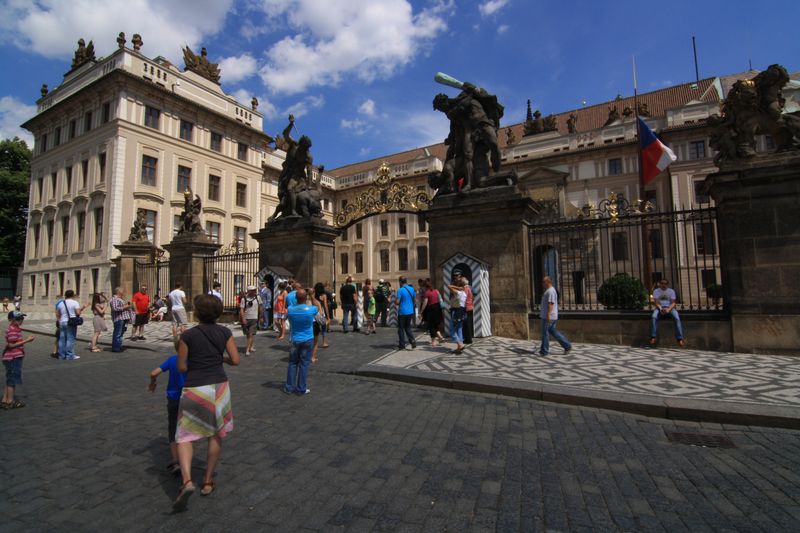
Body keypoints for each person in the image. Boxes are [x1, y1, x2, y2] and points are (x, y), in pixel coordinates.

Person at [173, 294, 240, 511]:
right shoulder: (225, 332)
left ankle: (187, 480)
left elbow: (181, 367)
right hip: (219, 387)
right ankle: (208, 481)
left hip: (196, 386)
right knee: (216, 433)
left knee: (184, 435)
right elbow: (236, 360)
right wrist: (221, 358)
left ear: (198, 313)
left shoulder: (188, 335)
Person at [148, 336, 186, 476]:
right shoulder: (192, 361)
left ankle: (175, 460)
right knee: (186, 428)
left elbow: (153, 373)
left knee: (173, 428)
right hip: (188, 399)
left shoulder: (172, 360)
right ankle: (185, 458)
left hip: (173, 399)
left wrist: (153, 382)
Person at [283, 289, 316, 395]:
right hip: (307, 339)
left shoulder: (290, 309)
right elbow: (321, 318)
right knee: (304, 364)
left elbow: (283, 318)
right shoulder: (312, 309)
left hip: (295, 339)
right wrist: (312, 297)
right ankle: (301, 388)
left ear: (296, 298)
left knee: (292, 363)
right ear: (306, 297)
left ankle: (289, 387)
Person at [2, 311, 34, 409]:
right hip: (13, 358)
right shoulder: (12, 330)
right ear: (11, 320)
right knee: (12, 380)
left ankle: (5, 400)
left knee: (10, 379)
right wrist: (27, 340)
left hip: (12, 357)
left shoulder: (14, 329)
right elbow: (11, 345)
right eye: (18, 319)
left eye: (22, 318)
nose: (21, 320)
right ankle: (10, 401)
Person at [539, 276, 571, 356]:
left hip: (548, 316)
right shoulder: (549, 291)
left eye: (543, 282)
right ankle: (567, 346)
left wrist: (548, 315)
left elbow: (551, 304)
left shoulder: (550, 291)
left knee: (545, 333)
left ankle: (544, 351)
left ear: (548, 282)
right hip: (548, 316)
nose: (542, 283)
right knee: (553, 332)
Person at [650, 279, 686, 347]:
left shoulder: (671, 291)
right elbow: (656, 302)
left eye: (665, 283)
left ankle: (679, 339)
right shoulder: (656, 291)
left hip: (670, 308)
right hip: (659, 308)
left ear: (667, 285)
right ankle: (653, 337)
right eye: (662, 283)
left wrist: (668, 309)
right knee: (654, 317)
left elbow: (673, 303)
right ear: (660, 284)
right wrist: (661, 309)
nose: (663, 285)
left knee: (677, 318)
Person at [56, 289, 87, 360]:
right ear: (73, 295)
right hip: (71, 322)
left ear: (65, 295)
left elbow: (58, 314)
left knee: (62, 339)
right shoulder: (75, 303)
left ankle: (61, 355)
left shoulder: (61, 303)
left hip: (62, 322)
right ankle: (69, 355)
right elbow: (78, 313)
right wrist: (83, 308)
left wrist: (59, 320)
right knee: (70, 339)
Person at [419, 280, 444, 346]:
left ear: (425, 286)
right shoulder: (436, 291)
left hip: (431, 309)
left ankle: (433, 341)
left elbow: (425, 303)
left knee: (431, 326)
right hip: (438, 308)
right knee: (436, 324)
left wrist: (421, 311)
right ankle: (440, 336)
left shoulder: (427, 293)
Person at [239, 285, 262, 355]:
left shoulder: (258, 297)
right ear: (249, 291)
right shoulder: (244, 299)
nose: (254, 291)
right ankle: (251, 346)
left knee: (251, 334)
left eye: (255, 290)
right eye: (252, 290)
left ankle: (247, 350)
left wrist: (261, 317)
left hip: (254, 318)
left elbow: (260, 307)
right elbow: (241, 309)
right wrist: (243, 318)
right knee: (248, 335)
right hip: (246, 318)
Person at [396, 276, 417, 350]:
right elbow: (414, 300)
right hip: (410, 311)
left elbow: (397, 302)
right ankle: (412, 340)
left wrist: (394, 301)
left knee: (401, 329)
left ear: (400, 282)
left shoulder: (400, 290)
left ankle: (402, 345)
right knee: (407, 327)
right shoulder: (412, 289)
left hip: (402, 312)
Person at [110, 287, 133, 353]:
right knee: (117, 334)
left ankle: (119, 346)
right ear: (118, 292)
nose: (123, 292)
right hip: (119, 319)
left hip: (123, 318)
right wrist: (125, 306)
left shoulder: (120, 299)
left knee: (121, 334)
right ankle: (116, 348)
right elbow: (115, 308)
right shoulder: (114, 299)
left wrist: (127, 306)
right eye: (122, 290)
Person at [447, 279, 467, 354]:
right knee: (459, 329)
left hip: (457, 312)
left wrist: (458, 288)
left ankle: (460, 344)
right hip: (462, 312)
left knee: (452, 330)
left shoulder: (458, 292)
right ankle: (459, 348)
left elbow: (449, 286)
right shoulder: (464, 294)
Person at [455, 271, 475, 344]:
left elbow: (463, 298)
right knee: (468, 323)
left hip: (466, 307)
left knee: (466, 324)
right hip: (470, 306)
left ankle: (468, 339)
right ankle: (468, 338)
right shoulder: (469, 287)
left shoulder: (465, 289)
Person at [314, 282, 331, 348]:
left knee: (315, 328)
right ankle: (324, 342)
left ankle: (315, 343)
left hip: (314, 313)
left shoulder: (314, 295)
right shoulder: (324, 295)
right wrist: (328, 316)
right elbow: (325, 306)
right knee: (324, 328)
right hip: (322, 313)